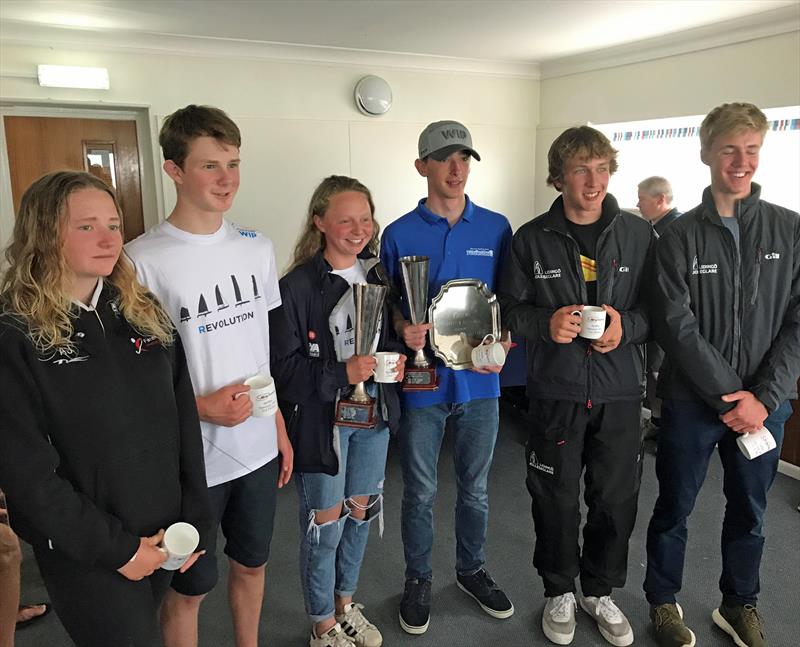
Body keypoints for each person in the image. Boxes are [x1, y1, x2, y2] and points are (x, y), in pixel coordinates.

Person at [0, 171, 211, 647]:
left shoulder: (142, 312)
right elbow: (27, 477)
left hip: (162, 533)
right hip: (88, 549)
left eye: (114, 225)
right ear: (44, 234)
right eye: (86, 226)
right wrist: (118, 550)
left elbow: (182, 425)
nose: (108, 238)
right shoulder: (15, 335)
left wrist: (195, 521)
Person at [125, 104, 293, 647]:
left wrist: (280, 428)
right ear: (174, 170)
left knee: (252, 565)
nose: (227, 180)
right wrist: (200, 407)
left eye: (234, 164)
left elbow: (259, 351)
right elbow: (131, 380)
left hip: (258, 447)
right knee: (189, 587)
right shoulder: (140, 261)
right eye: (210, 166)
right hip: (190, 458)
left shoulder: (257, 249)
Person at [644, 102, 800, 647]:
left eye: (751, 150)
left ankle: (740, 604)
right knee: (674, 508)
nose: (741, 161)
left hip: (766, 406)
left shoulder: (790, 227)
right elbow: (674, 323)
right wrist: (729, 395)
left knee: (751, 512)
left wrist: (763, 397)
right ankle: (663, 602)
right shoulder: (678, 236)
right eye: (730, 149)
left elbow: (798, 323)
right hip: (692, 403)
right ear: (706, 152)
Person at [498, 126, 655, 646]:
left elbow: (659, 312)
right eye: (581, 169)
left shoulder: (638, 234)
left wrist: (624, 328)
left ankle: (599, 591)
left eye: (602, 168)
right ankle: (559, 590)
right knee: (555, 497)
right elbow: (510, 310)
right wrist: (546, 324)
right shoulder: (531, 237)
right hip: (557, 391)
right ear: (559, 176)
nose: (593, 181)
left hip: (619, 391)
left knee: (615, 500)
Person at [380, 120, 514, 635]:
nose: (457, 169)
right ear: (423, 167)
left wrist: (505, 341)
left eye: (465, 158)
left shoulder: (496, 227)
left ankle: (471, 569)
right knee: (420, 490)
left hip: (481, 384)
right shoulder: (397, 234)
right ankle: (418, 578)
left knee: (476, 488)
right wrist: (401, 327)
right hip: (424, 384)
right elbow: (390, 305)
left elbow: (509, 303)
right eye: (445, 158)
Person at [270, 175, 406, 647]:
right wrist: (341, 373)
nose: (358, 228)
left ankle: (347, 603)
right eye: (345, 219)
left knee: (360, 514)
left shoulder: (377, 275)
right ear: (320, 222)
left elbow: (380, 342)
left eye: (365, 219)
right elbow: (283, 371)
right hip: (322, 423)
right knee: (324, 525)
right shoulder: (296, 286)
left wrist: (398, 354)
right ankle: (322, 622)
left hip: (373, 421)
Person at [637, 176, 682, 437]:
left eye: (642, 199)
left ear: (660, 200)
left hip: (667, 321)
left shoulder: (673, 231)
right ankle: (656, 421)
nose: (638, 204)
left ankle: (668, 428)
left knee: (658, 373)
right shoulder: (651, 228)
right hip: (651, 316)